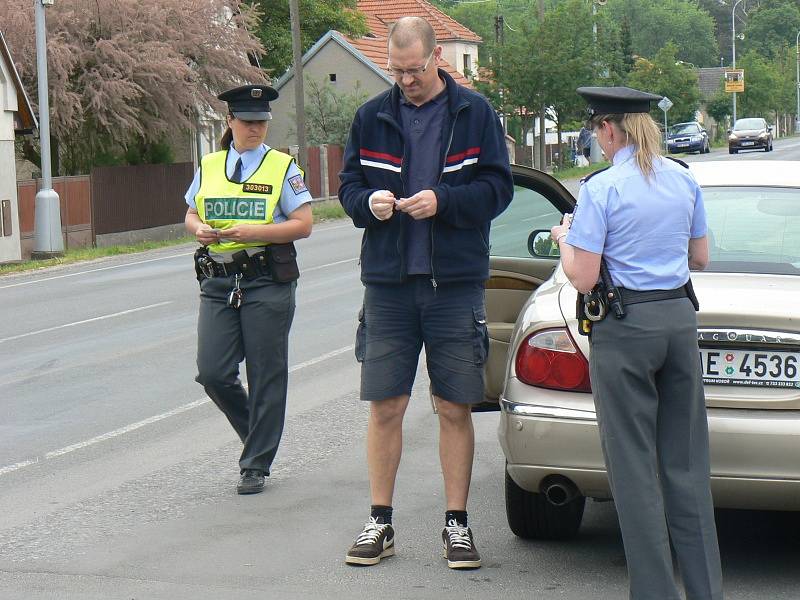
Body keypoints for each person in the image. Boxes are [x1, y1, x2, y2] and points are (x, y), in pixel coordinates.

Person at [338, 16, 513, 570]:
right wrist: (369, 205)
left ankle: (456, 526)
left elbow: (497, 189)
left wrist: (444, 201)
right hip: (389, 284)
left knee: (453, 405)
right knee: (385, 405)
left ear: (438, 57)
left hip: (453, 285)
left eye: (415, 70)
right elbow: (347, 187)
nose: (407, 80)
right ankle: (379, 522)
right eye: (397, 70)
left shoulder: (475, 113)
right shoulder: (371, 117)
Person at [550, 86, 723, 600]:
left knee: (633, 471)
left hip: (626, 328)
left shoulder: (602, 189)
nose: (597, 143)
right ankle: (705, 591)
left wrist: (564, 241)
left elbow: (583, 277)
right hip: (677, 319)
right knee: (687, 467)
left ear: (609, 129)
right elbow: (700, 258)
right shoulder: (682, 179)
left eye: (596, 132)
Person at [184, 84, 313, 495]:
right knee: (213, 372)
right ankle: (257, 435)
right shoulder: (209, 164)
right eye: (247, 121)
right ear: (230, 122)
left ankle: (256, 462)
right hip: (218, 279)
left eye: (261, 122)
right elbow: (190, 212)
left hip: (265, 281)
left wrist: (257, 231)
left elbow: (304, 224)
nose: (255, 128)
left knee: (265, 374)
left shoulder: (282, 167)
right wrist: (198, 229)